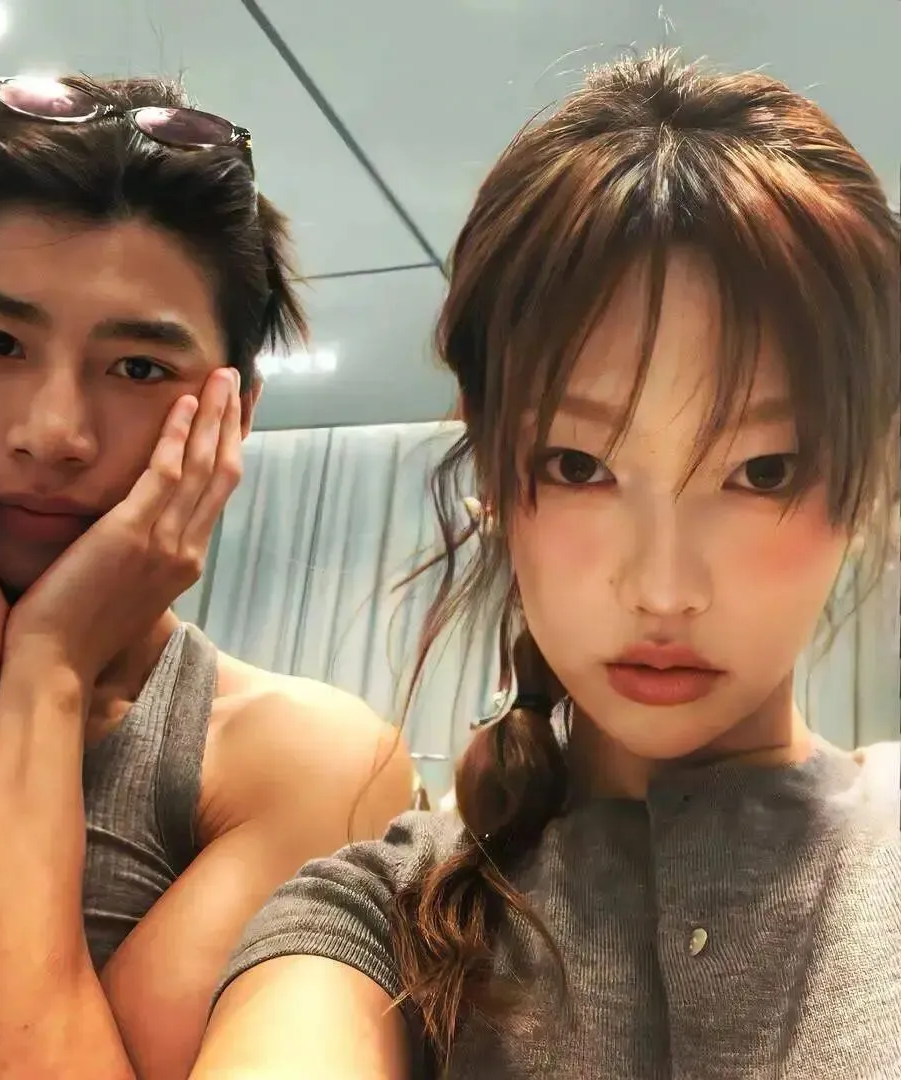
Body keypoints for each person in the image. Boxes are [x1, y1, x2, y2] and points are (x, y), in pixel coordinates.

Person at [191, 50, 901, 1080]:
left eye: (762, 470)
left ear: (865, 479)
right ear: (494, 468)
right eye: (580, 466)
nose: (663, 589)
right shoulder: (380, 917)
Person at [0, 75, 413, 1080]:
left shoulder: (302, 760)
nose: (52, 433)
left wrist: (46, 671)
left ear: (233, 417)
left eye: (138, 368)